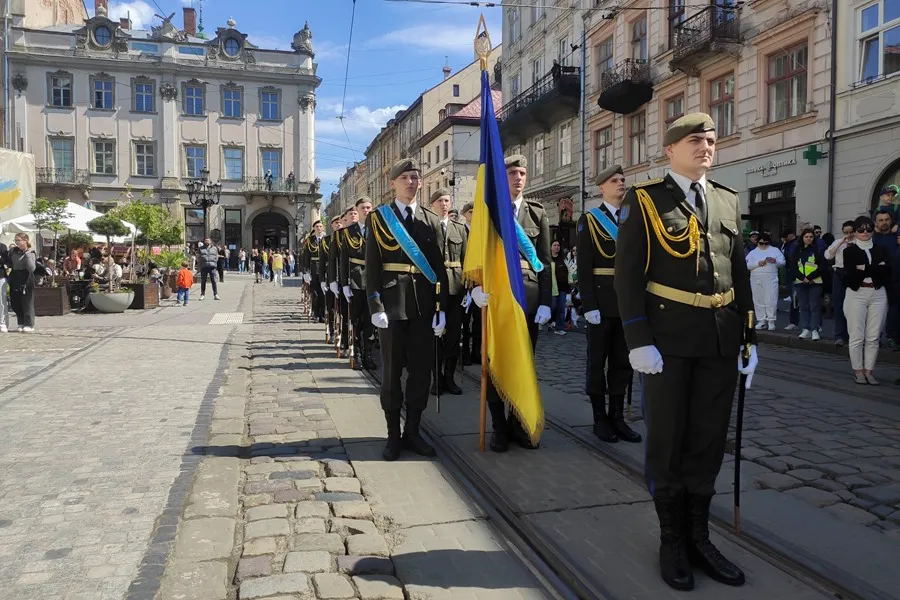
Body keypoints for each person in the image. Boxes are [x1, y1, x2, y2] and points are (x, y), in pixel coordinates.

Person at [615, 113, 758, 591]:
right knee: (667, 442)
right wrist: (638, 340)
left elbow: (738, 273)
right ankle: (672, 538)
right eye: (695, 140)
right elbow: (627, 275)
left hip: (718, 338)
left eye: (711, 139)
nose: (706, 147)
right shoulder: (646, 200)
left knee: (707, 442)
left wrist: (748, 337)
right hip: (667, 343)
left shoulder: (725, 199)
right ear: (670, 148)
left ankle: (700, 536)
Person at [365, 158, 448, 461]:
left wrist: (441, 309)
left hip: (423, 308)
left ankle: (413, 431)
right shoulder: (378, 219)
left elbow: (438, 269)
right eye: (405, 178)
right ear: (393, 184)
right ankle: (392, 435)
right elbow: (373, 265)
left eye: (415, 177)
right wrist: (375, 304)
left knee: (421, 373)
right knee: (391, 374)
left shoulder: (432, 220)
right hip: (392, 306)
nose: (411, 182)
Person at [471, 155, 552, 453]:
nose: (518, 178)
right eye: (512, 173)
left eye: (523, 172)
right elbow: (478, 255)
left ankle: (519, 423)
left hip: (529, 299)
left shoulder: (537, 213)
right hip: (498, 298)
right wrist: (476, 288)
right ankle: (499, 427)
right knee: (494, 364)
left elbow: (544, 261)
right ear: (500, 178)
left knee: (524, 363)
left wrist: (547, 301)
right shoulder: (488, 213)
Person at [576, 164, 640, 444]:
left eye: (623, 180)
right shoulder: (589, 220)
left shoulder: (633, 218)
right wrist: (589, 304)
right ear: (602, 187)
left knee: (622, 363)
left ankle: (618, 417)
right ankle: (599, 418)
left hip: (627, 303)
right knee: (596, 363)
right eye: (615, 180)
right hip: (601, 303)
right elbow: (584, 264)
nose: (621, 183)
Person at [843, 216, 891, 385]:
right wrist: (875, 268)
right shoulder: (849, 250)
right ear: (855, 231)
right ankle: (858, 370)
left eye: (868, 229)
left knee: (873, 336)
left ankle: (869, 370)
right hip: (857, 293)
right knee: (856, 335)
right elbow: (849, 273)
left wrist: (863, 268)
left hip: (878, 293)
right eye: (861, 229)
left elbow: (886, 271)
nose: (865, 232)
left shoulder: (881, 249)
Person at [429, 188, 468, 395]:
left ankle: (449, 378)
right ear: (432, 204)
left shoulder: (459, 229)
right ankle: (436, 378)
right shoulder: (426, 227)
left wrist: (469, 288)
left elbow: (466, 259)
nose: (444, 204)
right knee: (434, 337)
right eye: (440, 201)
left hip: (455, 288)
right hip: (433, 289)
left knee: (453, 337)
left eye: (446, 200)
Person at [340, 197, 377, 371]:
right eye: (363, 207)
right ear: (357, 209)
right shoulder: (348, 232)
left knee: (370, 320)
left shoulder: (378, 230)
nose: (366, 210)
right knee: (355, 320)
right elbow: (343, 259)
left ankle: (368, 354)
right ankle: (357, 354)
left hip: (373, 281)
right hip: (355, 280)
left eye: (369, 207)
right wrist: (344, 283)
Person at [790, 228, 826, 340]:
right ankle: (806, 328)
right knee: (804, 306)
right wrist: (802, 278)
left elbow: (822, 267)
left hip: (815, 282)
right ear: (802, 238)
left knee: (815, 306)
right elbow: (793, 266)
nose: (809, 239)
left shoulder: (818, 250)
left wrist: (810, 277)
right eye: (806, 237)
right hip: (800, 282)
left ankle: (815, 329)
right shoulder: (797, 250)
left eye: (811, 237)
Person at [825, 221, 856, 346]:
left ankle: (852, 335)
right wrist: (840, 243)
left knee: (853, 307)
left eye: (851, 232)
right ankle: (839, 335)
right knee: (839, 304)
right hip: (839, 273)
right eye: (846, 232)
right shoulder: (838, 242)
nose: (848, 235)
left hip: (853, 274)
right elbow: (828, 256)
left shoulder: (858, 242)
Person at [745, 232, 785, 330]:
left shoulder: (775, 250)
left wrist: (774, 261)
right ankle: (761, 320)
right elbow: (747, 265)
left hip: (771, 277)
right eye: (761, 243)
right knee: (758, 299)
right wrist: (758, 263)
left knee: (771, 299)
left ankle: (771, 320)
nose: (763, 246)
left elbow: (783, 262)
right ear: (758, 242)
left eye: (766, 244)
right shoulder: (753, 252)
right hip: (756, 278)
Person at [459, 202, 482, 366]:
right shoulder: (460, 230)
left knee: (479, 322)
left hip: (479, 282)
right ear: (464, 214)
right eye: (471, 212)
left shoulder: (481, 232)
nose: (473, 215)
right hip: (465, 282)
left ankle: (477, 352)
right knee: (465, 322)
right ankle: (465, 352)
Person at [8, 233, 37, 332]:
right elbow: (9, 263)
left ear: (25, 241)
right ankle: (20, 322)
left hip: (26, 277)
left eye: (19, 240)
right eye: (15, 240)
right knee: (15, 301)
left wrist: (27, 254)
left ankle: (29, 324)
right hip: (15, 277)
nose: (17, 242)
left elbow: (31, 268)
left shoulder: (30, 253)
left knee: (27, 302)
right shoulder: (13, 252)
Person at [549, 240, 569, 334]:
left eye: (558, 245)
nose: (557, 247)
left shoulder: (563, 259)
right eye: (555, 245)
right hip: (552, 287)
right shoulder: (548, 259)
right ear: (550, 247)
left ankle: (559, 328)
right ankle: (550, 321)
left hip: (563, 287)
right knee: (553, 307)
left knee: (561, 308)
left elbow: (569, 271)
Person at [0, 236, 9, 333]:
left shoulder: (2, 247)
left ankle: (2, 323)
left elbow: (5, 260)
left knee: (2, 301)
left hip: (1, 276)